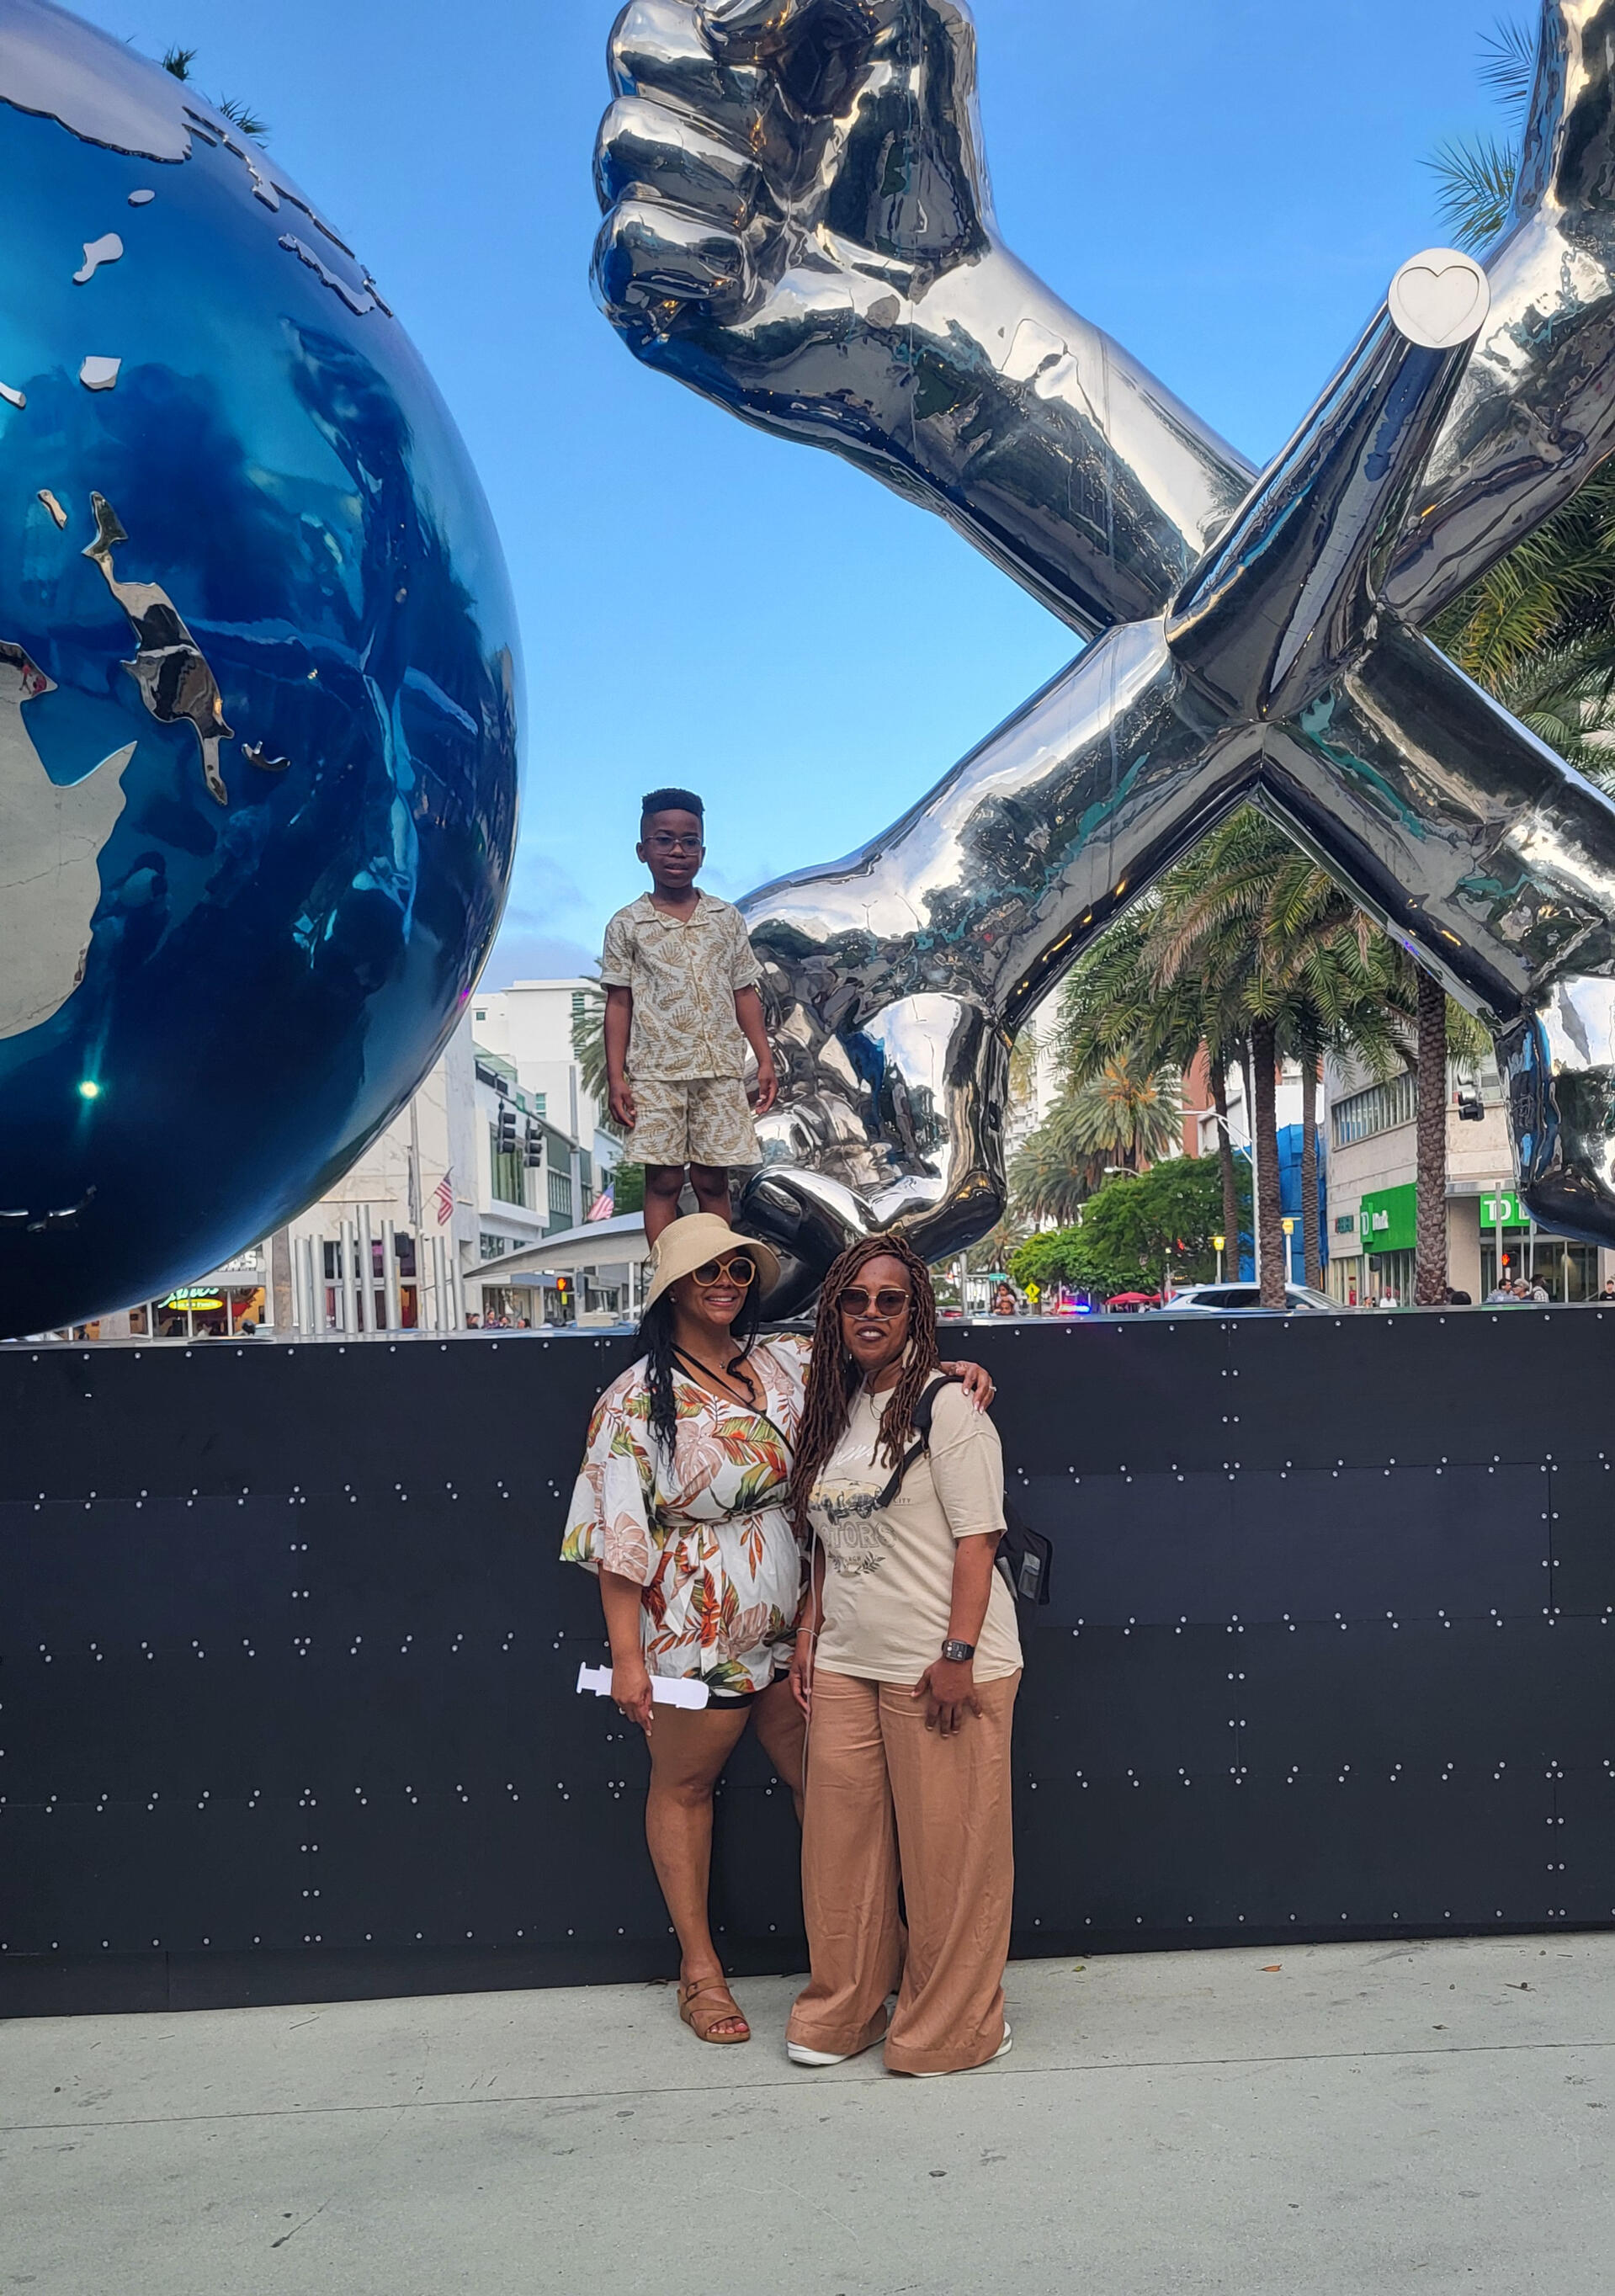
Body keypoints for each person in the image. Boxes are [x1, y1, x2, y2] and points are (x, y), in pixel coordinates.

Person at [562, 1214, 995, 2047]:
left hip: (804, 1614)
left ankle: (872, 1954)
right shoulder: (632, 1400)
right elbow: (618, 1542)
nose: (726, 1282)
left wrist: (951, 1373)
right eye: (706, 1271)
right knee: (685, 1786)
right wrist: (626, 1660)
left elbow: (879, 1372)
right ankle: (699, 1971)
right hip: (694, 1624)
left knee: (831, 1792)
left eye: (737, 1268)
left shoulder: (786, 1358)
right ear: (672, 1287)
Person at [785, 1236, 1023, 2077]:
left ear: (915, 1309)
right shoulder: (836, 1402)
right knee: (839, 1853)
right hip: (848, 1658)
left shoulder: (949, 1406)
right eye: (855, 1299)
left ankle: (951, 2027)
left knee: (948, 1856)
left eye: (890, 1299)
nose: (871, 1313)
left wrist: (957, 1653)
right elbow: (832, 1537)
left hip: (940, 1664)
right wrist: (810, 1630)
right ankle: (842, 2011)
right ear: (834, 1312)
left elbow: (979, 1538)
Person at [601, 789, 778, 1244]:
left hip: (719, 1071)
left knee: (712, 1181)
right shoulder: (627, 924)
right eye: (664, 840)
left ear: (703, 850)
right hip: (656, 1074)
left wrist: (763, 1058)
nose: (678, 851)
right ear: (642, 850)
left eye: (689, 841)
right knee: (663, 1181)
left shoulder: (725, 919)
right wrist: (616, 1076)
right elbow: (619, 1002)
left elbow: (744, 991)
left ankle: (717, 1269)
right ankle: (665, 1275)